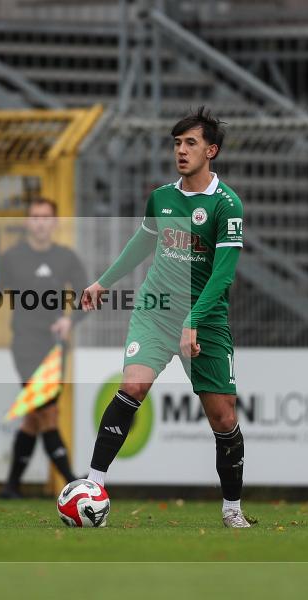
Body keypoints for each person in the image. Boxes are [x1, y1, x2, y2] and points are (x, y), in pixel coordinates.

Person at [81, 107, 251, 528]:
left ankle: (232, 509)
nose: (181, 150)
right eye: (177, 143)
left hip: (205, 321)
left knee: (223, 417)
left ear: (211, 151)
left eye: (191, 143)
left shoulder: (227, 205)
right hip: (155, 312)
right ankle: (92, 487)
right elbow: (142, 244)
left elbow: (223, 274)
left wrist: (193, 320)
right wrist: (103, 282)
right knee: (133, 386)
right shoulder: (161, 198)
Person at [0, 198, 88, 498]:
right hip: (24, 344)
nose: (40, 222)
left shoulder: (66, 258)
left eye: (46, 217)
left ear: (54, 222)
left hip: (55, 346)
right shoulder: (11, 258)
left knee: (34, 417)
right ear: (27, 222)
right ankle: (73, 482)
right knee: (47, 410)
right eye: (35, 217)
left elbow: (87, 296)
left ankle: (11, 486)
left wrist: (69, 320)